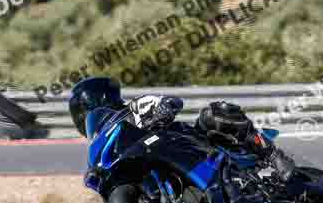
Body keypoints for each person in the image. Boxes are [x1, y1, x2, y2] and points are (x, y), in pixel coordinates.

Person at [69, 77, 295, 181]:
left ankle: (273, 155)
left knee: (213, 114)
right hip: (166, 169)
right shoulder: (102, 146)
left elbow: (170, 101)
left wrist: (163, 109)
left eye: (84, 109)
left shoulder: (134, 108)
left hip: (194, 145)